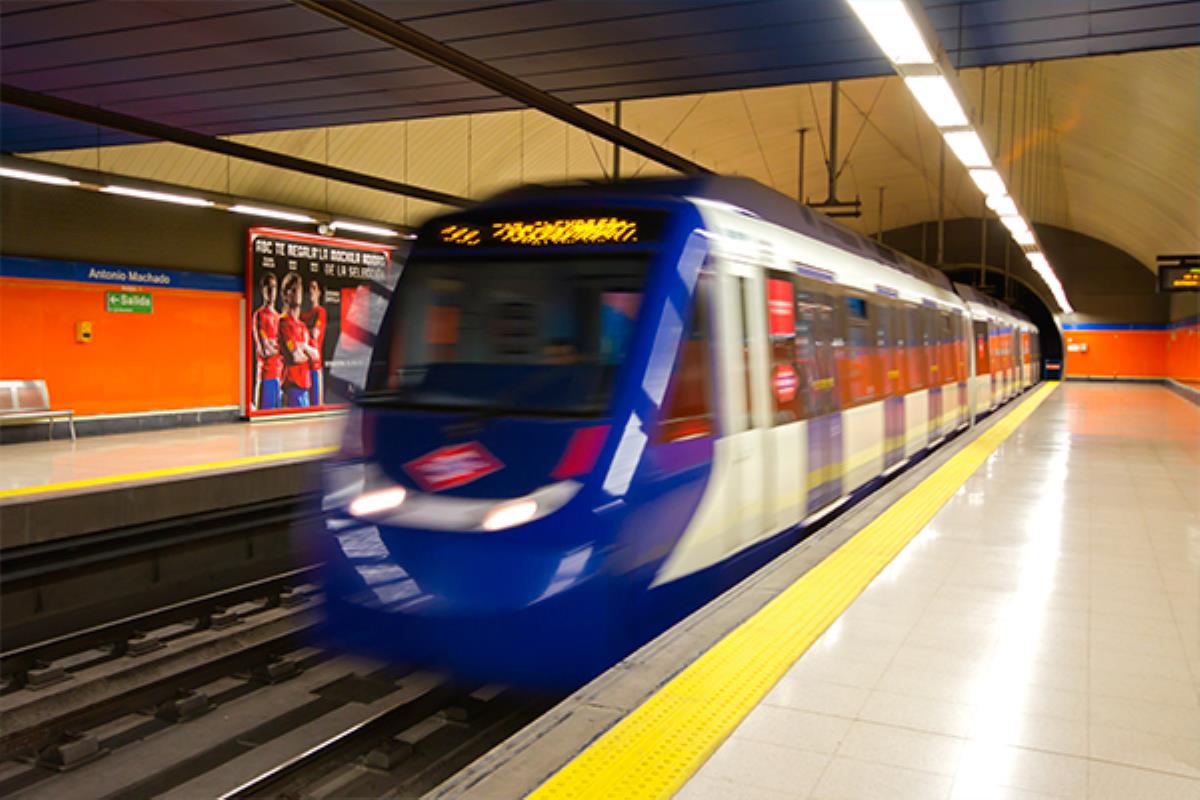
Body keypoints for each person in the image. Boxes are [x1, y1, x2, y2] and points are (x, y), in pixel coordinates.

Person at [278, 272, 320, 408]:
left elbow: (316, 355)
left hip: (304, 389)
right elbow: (296, 356)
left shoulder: (302, 326)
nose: (298, 293)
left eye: (299, 289)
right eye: (294, 290)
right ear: (285, 295)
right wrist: (305, 350)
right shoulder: (283, 322)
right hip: (292, 390)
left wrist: (304, 347)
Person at [252, 273, 282, 410]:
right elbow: (264, 350)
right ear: (262, 290)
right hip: (265, 377)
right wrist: (278, 347)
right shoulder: (259, 315)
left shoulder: (279, 317)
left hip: (280, 377)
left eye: (274, 287)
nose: (271, 291)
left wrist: (274, 345)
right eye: (268, 287)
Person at [300, 278, 327, 406]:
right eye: (309, 288)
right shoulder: (302, 315)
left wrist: (302, 330)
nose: (311, 291)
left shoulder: (320, 312)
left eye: (314, 288)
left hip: (315, 366)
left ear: (319, 292)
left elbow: (314, 333)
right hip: (302, 368)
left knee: (317, 405)